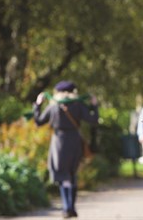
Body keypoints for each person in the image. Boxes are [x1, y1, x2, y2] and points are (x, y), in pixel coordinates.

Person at [33, 80, 99, 218]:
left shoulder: (53, 107)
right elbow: (93, 120)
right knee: (72, 174)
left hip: (59, 142)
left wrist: (38, 105)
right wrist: (94, 106)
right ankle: (71, 207)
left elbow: (38, 121)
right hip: (74, 141)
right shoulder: (78, 105)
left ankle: (66, 207)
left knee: (63, 176)